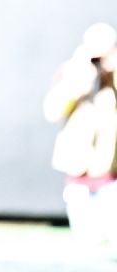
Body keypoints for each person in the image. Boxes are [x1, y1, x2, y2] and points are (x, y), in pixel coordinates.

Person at [44, 22, 117, 245]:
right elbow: (52, 111)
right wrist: (78, 80)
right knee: (87, 243)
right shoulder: (73, 74)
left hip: (109, 175)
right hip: (79, 174)